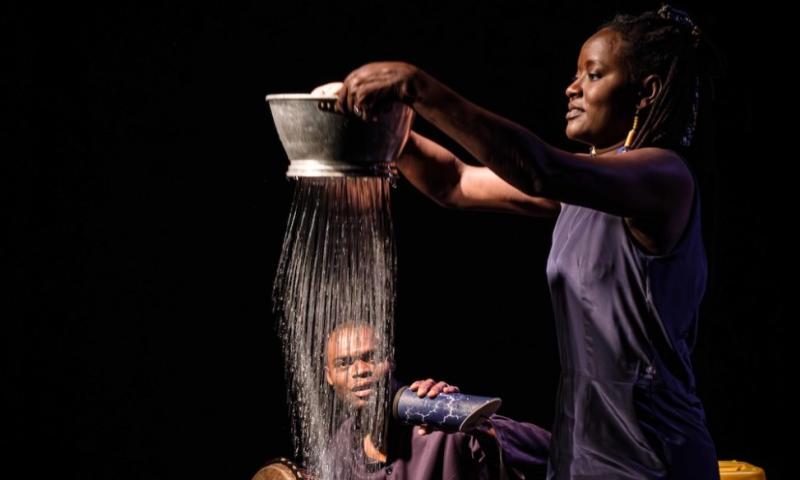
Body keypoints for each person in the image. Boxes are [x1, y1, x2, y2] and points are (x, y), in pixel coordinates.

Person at [328, 5, 719, 479]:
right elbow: (453, 183)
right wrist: (390, 133)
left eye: (593, 75)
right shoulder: (581, 195)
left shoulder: (663, 178)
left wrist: (416, 87)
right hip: (580, 455)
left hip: (652, 457)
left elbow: (540, 169)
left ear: (646, 93)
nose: (571, 88)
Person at [322, 322, 551, 480]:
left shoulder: (434, 417)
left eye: (371, 357)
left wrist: (472, 421)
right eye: (344, 363)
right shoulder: (339, 450)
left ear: (389, 360)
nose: (360, 370)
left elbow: (551, 450)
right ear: (329, 376)